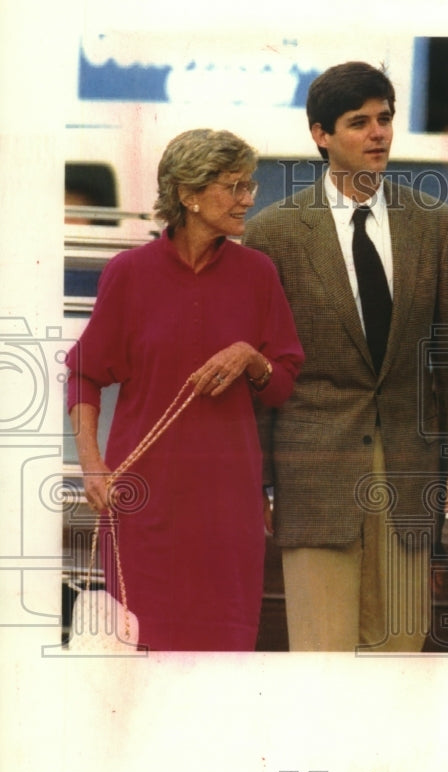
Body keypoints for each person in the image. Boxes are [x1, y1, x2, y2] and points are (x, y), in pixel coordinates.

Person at [243, 61, 448, 652]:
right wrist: (259, 483)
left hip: (408, 474)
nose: (378, 133)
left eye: (385, 119)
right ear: (321, 134)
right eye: (359, 123)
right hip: (313, 476)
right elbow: (264, 372)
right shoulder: (275, 233)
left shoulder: (435, 225)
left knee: (400, 659)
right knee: (323, 662)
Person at [66, 129, 304, 651]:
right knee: (144, 654)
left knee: (223, 657)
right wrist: (91, 464)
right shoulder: (129, 274)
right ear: (188, 194)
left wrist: (251, 357)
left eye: (250, 186)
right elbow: (83, 371)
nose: (247, 199)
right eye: (233, 187)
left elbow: (283, 382)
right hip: (144, 503)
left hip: (227, 505)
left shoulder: (257, 273)